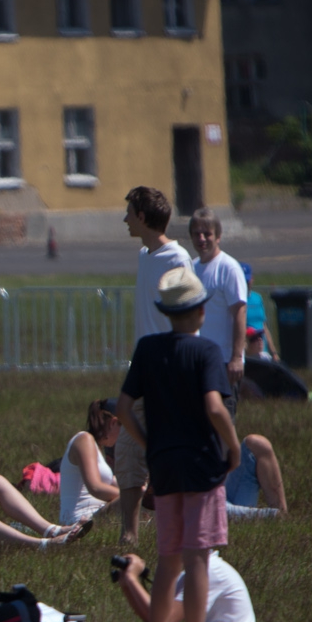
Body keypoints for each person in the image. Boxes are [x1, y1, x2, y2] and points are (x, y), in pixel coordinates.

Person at [117, 268, 241, 622]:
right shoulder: (207, 351)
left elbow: (122, 408)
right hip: (202, 466)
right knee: (198, 559)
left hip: (164, 466)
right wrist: (233, 446)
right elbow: (214, 407)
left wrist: (149, 442)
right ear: (202, 311)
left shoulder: (148, 349)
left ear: (167, 312)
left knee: (168, 559)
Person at [114, 186, 191, 544]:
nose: (125, 218)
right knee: (128, 451)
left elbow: (191, 317)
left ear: (142, 216)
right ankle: (128, 535)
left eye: (129, 212)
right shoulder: (145, 255)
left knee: (168, 455)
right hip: (142, 368)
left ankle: (178, 529)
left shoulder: (177, 259)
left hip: (169, 371)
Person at [113, 551, 255, 622]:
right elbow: (155, 620)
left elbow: (166, 619)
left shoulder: (210, 570)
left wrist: (132, 578)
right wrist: (127, 585)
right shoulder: (191, 572)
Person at [189, 208, 248, 416]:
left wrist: (236, 357)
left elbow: (239, 312)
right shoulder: (191, 268)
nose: (202, 239)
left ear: (218, 236)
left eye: (207, 234)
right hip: (197, 361)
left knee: (222, 420)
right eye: (196, 234)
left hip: (223, 361)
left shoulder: (229, 268)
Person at [61, 399, 121, 526]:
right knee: (136, 497)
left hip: (94, 515)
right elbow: (95, 487)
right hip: (80, 519)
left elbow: (113, 483)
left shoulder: (96, 447)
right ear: (113, 423)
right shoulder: (84, 440)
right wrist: (132, 495)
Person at [225, 434, 287, 518]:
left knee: (258, 444)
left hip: (222, 486)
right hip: (208, 498)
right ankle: (273, 516)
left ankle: (283, 515)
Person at [241, 263, 278, 360]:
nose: (245, 284)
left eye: (247, 281)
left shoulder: (257, 298)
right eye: (242, 281)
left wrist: (273, 352)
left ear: (252, 280)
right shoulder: (237, 301)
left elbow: (264, 326)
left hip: (262, 351)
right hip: (247, 352)